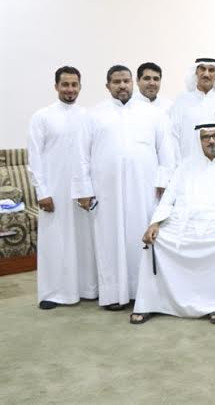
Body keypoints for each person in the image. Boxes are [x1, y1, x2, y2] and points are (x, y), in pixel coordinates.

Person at [129, 123, 215, 324]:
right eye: (205, 137)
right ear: (199, 140)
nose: (211, 140)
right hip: (183, 221)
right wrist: (155, 223)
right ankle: (149, 304)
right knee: (155, 241)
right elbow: (169, 196)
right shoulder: (186, 165)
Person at [73, 65, 174, 310]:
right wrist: (84, 190)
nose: (122, 86)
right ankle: (114, 294)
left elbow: (166, 150)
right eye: (116, 82)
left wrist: (164, 182)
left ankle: (144, 293)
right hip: (107, 191)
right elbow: (81, 155)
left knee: (142, 237)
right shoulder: (94, 115)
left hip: (145, 189)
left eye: (126, 81)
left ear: (133, 83)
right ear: (107, 85)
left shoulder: (153, 114)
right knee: (110, 241)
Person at [28, 66, 97, 309]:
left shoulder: (88, 116)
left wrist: (89, 189)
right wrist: (42, 192)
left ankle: (87, 289)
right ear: (56, 86)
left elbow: (92, 155)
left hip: (82, 190)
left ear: (80, 86)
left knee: (84, 241)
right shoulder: (42, 117)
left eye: (74, 84)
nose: (70, 89)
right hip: (54, 191)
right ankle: (53, 293)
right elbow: (35, 158)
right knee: (55, 243)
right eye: (65, 84)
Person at [168, 57, 215, 163]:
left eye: (211, 70)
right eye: (202, 69)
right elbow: (173, 136)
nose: (206, 74)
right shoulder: (181, 101)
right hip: (188, 167)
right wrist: (178, 165)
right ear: (196, 72)